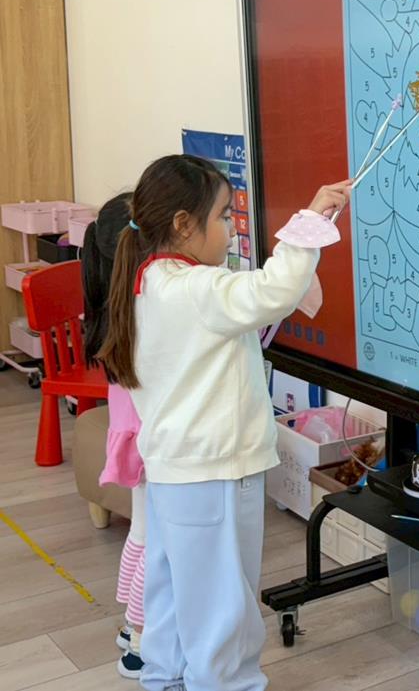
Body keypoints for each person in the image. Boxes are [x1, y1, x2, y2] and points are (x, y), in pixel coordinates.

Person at [97, 154, 351, 691]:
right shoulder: (195, 290)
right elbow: (272, 290)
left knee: (173, 597)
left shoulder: (150, 281)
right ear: (182, 225)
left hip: (174, 475)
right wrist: (310, 221)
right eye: (221, 217)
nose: (232, 229)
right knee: (223, 611)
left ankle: (164, 679)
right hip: (214, 476)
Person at [82, 192, 148, 679]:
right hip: (153, 445)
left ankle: (131, 627)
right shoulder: (144, 313)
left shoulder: (113, 307)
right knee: (158, 544)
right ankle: (141, 644)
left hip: (133, 437)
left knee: (144, 534)